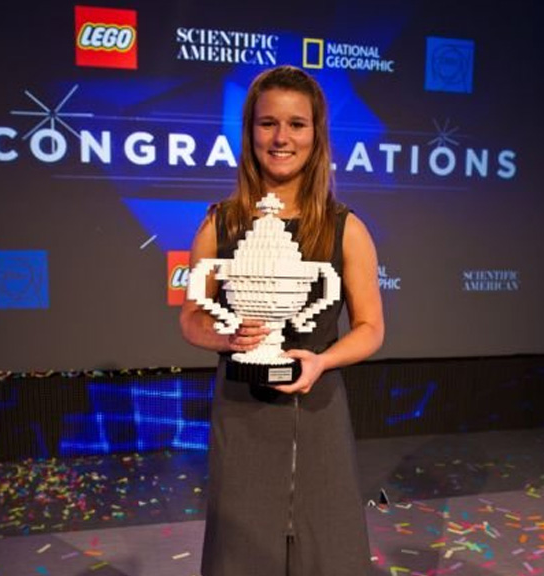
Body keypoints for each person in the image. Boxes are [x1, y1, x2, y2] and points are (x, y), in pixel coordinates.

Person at [180, 65, 384, 576]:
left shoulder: (345, 228)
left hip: (318, 411)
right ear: (250, 132)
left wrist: (322, 361)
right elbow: (192, 317)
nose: (281, 138)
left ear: (316, 135)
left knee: (328, 551)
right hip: (242, 411)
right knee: (241, 554)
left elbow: (370, 328)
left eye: (297, 124)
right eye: (268, 123)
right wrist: (225, 335)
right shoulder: (219, 223)